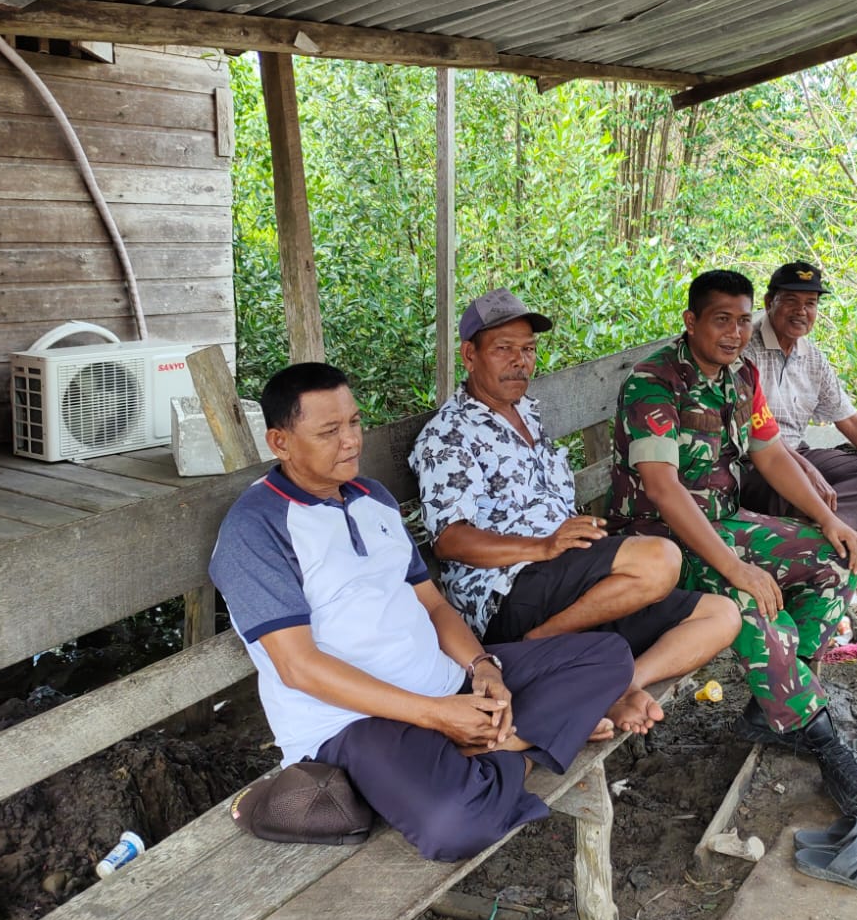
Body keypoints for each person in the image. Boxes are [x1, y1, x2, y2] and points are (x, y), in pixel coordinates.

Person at [209, 362, 633, 862]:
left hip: (444, 681)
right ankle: (520, 747)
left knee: (608, 656)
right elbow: (298, 666)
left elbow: (431, 602)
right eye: (329, 431)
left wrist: (483, 668)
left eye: (354, 423)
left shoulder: (374, 498)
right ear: (280, 442)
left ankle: (492, 749)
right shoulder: (256, 528)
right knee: (453, 826)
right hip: (355, 720)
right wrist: (437, 716)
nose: (350, 442)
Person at [606, 270, 857, 824]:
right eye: (721, 320)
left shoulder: (740, 377)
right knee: (752, 606)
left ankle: (775, 709)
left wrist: (827, 518)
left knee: (835, 558)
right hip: (660, 544)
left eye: (742, 320)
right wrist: (737, 568)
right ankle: (821, 739)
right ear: (691, 321)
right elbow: (664, 489)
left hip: (725, 522)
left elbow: (771, 454)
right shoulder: (655, 383)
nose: (736, 333)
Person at [411, 289, 741, 736]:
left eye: (528, 349)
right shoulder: (449, 434)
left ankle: (621, 684)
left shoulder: (528, 415)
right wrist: (543, 548)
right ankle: (533, 649)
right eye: (504, 349)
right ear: (470, 355)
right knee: (660, 559)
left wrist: (572, 547)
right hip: (509, 593)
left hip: (569, 585)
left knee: (722, 615)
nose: (520, 361)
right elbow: (450, 540)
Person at [741, 261, 857, 530]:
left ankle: (818, 529)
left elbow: (850, 421)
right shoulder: (747, 350)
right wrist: (804, 469)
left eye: (810, 303)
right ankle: (818, 524)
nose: (801, 311)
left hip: (797, 451)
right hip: (755, 460)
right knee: (793, 484)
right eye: (791, 300)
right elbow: (750, 435)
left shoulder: (812, 358)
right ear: (769, 301)